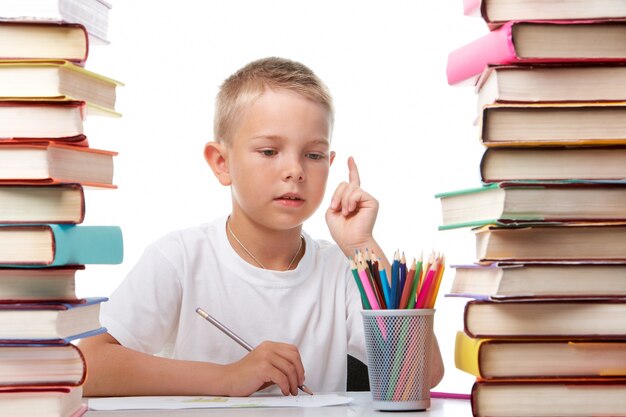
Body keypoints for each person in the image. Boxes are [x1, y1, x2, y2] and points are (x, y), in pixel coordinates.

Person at [80, 57, 444, 397]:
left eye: (313, 155)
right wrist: (227, 377)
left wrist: (361, 244)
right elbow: (88, 366)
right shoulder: (180, 258)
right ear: (221, 162)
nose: (295, 170)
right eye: (270, 151)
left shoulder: (344, 269)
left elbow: (421, 375)